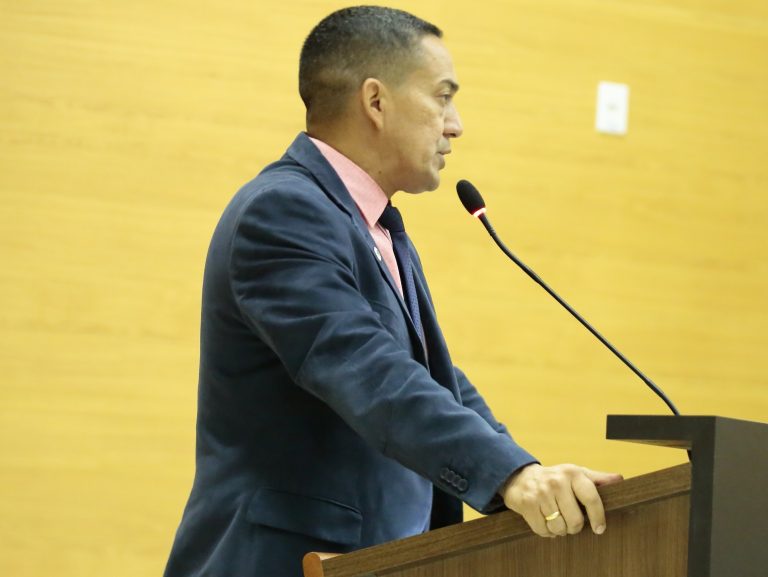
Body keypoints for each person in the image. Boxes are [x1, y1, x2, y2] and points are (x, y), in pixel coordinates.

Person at [163, 6, 622, 577]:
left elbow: (432, 380)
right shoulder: (282, 212)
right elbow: (368, 370)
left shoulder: (376, 226)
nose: (455, 125)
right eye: (443, 97)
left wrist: (526, 471)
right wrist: (508, 475)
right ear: (376, 101)